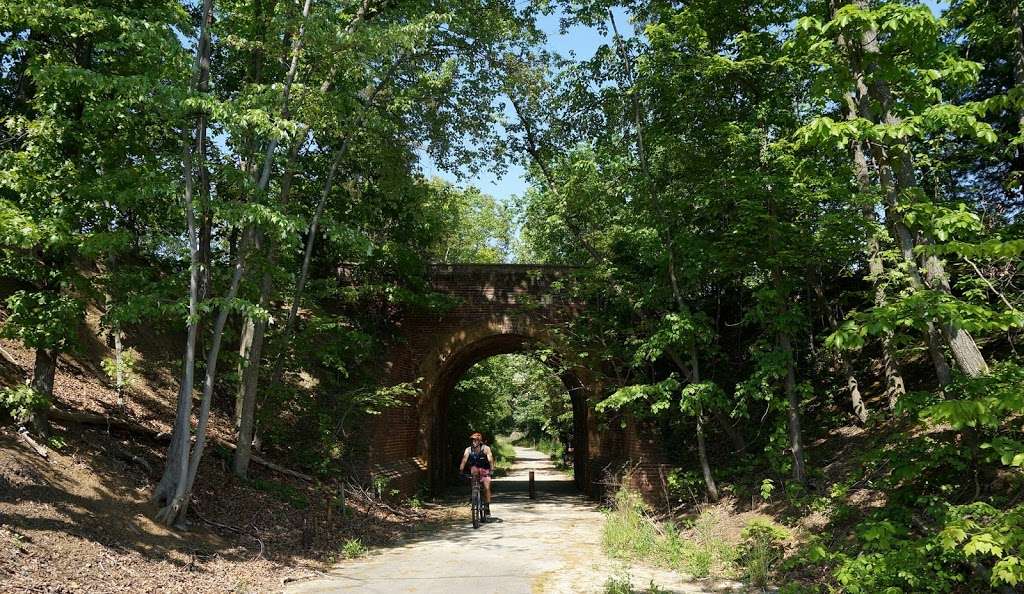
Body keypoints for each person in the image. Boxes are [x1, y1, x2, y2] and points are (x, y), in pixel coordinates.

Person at [458, 431, 494, 517]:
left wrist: (492, 469)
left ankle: (487, 506)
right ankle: (474, 495)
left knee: (487, 487)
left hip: (485, 469)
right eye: (473, 440)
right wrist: (461, 470)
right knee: (473, 472)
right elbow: (464, 460)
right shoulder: (468, 449)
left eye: (476, 440)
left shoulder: (486, 448)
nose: (474, 441)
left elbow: (490, 459)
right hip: (475, 468)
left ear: (480, 441)